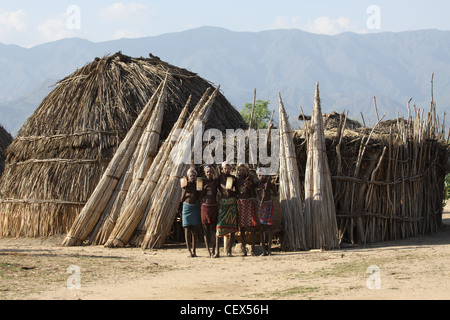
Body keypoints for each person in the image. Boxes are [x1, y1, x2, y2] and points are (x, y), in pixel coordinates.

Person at [216, 161, 238, 257]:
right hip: (223, 203)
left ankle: (229, 251)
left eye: (228, 168)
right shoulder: (219, 178)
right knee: (219, 227)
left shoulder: (233, 178)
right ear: (222, 169)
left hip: (232, 203)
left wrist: (233, 190)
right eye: (225, 168)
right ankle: (217, 251)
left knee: (232, 228)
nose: (227, 170)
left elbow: (238, 190)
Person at [236, 163, 257, 256]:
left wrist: (249, 187)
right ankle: (244, 249)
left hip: (249, 202)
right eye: (240, 170)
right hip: (240, 204)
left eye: (244, 170)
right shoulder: (236, 181)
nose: (242, 172)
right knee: (242, 228)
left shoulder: (250, 180)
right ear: (238, 171)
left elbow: (254, 194)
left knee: (252, 226)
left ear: (246, 171)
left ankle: (252, 248)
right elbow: (235, 192)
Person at [256, 168, 278, 256]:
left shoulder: (269, 184)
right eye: (260, 175)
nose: (262, 177)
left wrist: (268, 194)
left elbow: (276, 194)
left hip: (268, 205)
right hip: (261, 206)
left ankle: (269, 249)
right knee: (261, 228)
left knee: (269, 227)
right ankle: (263, 249)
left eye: (263, 175)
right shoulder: (257, 184)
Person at [180, 168, 201, 257]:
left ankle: (194, 250)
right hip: (187, 208)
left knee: (194, 231)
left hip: (195, 208)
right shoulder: (185, 185)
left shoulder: (198, 185)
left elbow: (199, 197)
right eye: (191, 176)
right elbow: (181, 199)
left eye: (194, 176)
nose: (192, 177)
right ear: (188, 177)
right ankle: (189, 250)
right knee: (187, 230)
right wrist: (185, 189)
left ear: (196, 177)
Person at [201, 164, 219, 258]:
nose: (209, 173)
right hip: (205, 207)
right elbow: (199, 195)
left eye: (211, 172)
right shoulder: (202, 182)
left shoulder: (216, 182)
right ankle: (208, 251)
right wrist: (204, 189)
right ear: (205, 172)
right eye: (207, 172)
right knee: (205, 230)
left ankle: (214, 250)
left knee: (213, 229)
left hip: (213, 206)